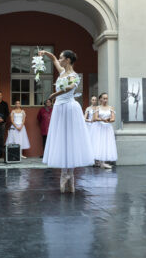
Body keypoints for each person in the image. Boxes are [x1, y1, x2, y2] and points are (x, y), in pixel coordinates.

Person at [39, 49, 94, 193]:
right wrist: (45, 53)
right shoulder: (61, 71)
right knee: (62, 138)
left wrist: (53, 94)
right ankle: (65, 173)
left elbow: (70, 87)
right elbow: (53, 59)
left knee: (71, 139)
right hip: (59, 108)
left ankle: (71, 173)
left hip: (69, 108)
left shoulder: (74, 76)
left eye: (61, 57)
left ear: (68, 60)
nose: (59, 59)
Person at [91, 93, 118, 169]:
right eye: (104, 98)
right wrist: (103, 119)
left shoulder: (111, 108)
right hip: (99, 127)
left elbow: (113, 118)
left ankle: (103, 162)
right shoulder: (97, 108)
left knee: (106, 143)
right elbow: (95, 118)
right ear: (100, 99)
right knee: (99, 143)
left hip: (107, 127)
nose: (105, 100)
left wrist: (109, 120)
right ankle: (99, 161)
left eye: (106, 98)